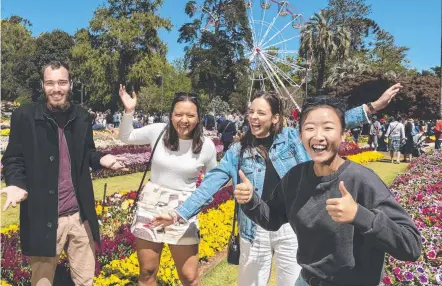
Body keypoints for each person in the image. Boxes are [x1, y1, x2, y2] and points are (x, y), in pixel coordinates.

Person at [153, 84, 403, 286]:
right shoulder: (238, 150)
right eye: (251, 111)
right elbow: (211, 184)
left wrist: (372, 107)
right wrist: (179, 214)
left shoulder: (294, 139)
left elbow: (334, 122)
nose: (253, 117)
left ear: (275, 118)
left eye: (261, 113)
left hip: (291, 226)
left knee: (290, 279)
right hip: (255, 226)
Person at [235, 96, 421, 286]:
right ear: (300, 136)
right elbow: (272, 219)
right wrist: (251, 200)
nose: (318, 136)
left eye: (328, 128)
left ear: (342, 134)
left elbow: (411, 245)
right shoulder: (295, 177)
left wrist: (360, 215)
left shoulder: (362, 180)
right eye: (309, 128)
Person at [1, 61, 128, 286]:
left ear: (70, 84)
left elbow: (87, 151)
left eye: (61, 82)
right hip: (44, 216)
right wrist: (16, 183)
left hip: (80, 217)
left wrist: (101, 158)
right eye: (50, 83)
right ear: (43, 85)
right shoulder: (24, 116)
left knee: (85, 280)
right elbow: (13, 158)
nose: (56, 88)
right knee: (42, 281)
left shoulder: (81, 117)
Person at [118, 86, 217, 286]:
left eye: (190, 115)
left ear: (198, 117)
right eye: (179, 114)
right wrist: (129, 111)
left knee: (189, 277)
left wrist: (192, 208)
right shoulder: (157, 131)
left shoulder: (206, 146)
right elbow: (125, 137)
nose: (184, 120)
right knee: (147, 272)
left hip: (184, 210)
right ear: (171, 115)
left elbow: (211, 184)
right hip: (151, 206)